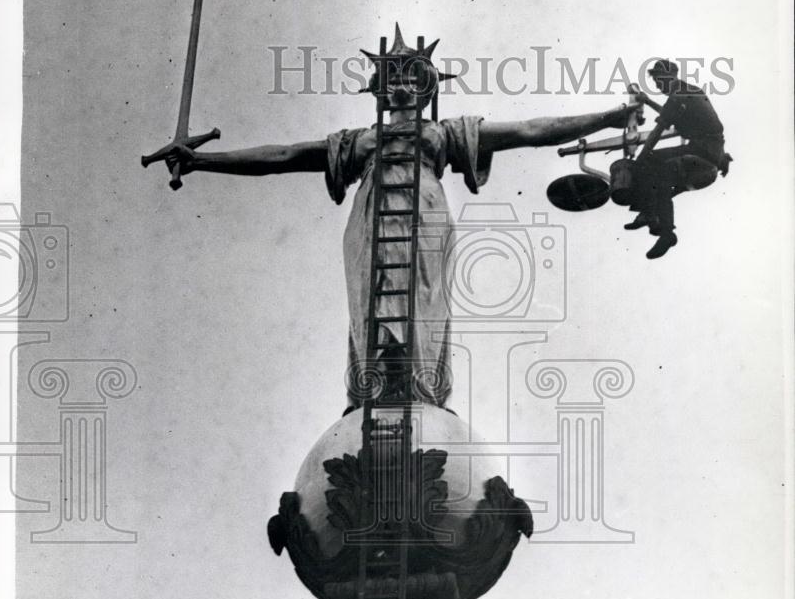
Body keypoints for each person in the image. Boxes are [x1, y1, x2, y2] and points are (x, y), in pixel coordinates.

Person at [167, 26, 635, 409]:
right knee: (371, 302)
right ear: (380, 88)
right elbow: (285, 155)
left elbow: (532, 130)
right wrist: (204, 161)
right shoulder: (361, 141)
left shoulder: (447, 134)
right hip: (372, 217)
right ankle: (373, 386)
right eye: (393, 77)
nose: (402, 84)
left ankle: (421, 388)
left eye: (413, 76)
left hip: (424, 213)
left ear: (428, 86)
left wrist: (610, 117)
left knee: (422, 301)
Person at [626, 59, 731, 260]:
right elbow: (673, 117)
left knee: (654, 167)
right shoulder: (688, 91)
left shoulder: (678, 95)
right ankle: (649, 212)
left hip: (702, 152)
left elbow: (658, 131)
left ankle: (666, 232)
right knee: (654, 162)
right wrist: (647, 101)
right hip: (709, 150)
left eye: (658, 80)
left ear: (668, 77)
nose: (657, 85)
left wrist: (638, 160)